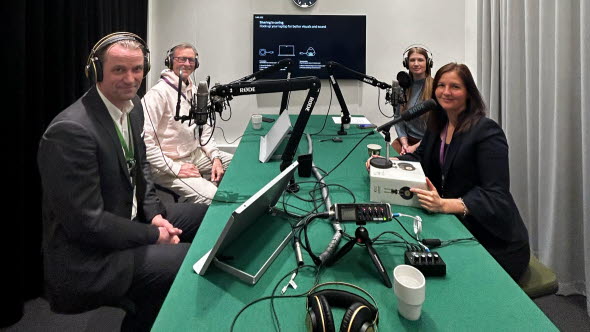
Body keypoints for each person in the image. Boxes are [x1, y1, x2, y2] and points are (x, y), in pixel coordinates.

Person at [37, 32, 208, 332]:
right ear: (96, 71)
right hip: (92, 257)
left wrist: (155, 213)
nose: (130, 78)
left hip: (130, 220)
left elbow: (141, 170)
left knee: (209, 217)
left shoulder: (134, 108)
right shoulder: (70, 131)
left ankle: (149, 308)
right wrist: (152, 235)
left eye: (137, 69)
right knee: (189, 262)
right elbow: (86, 224)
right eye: (119, 69)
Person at [368, 63, 530, 281]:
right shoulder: (439, 125)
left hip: (494, 243)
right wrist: (387, 162)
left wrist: (444, 205)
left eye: (455, 86)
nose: (446, 92)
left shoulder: (487, 132)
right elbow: (419, 158)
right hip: (457, 227)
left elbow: (495, 195)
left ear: (468, 93)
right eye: (441, 85)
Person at [142, 43, 232, 205]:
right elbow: (145, 144)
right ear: (170, 61)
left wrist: (215, 158)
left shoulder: (196, 91)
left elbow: (204, 131)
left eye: (191, 60)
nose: (188, 64)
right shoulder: (157, 95)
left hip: (194, 155)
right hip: (166, 163)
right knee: (213, 198)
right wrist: (176, 168)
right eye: (182, 59)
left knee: (237, 164)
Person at [391, 45, 434, 155]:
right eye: (412, 60)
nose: (416, 64)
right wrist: (404, 143)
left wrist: (414, 147)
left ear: (428, 63)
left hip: (427, 142)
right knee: (389, 160)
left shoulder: (436, 88)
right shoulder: (403, 87)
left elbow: (438, 127)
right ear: (406, 63)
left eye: (420, 60)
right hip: (406, 140)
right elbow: (398, 118)